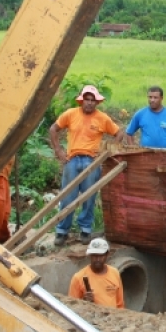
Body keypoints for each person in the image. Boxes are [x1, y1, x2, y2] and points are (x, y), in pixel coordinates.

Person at [49, 85, 124, 246]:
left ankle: (85, 230)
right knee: (67, 196)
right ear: (81, 100)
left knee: (89, 197)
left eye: (92, 100)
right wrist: (58, 151)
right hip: (72, 159)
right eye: (86, 99)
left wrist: (108, 151)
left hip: (92, 161)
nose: (89, 103)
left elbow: (119, 133)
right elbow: (53, 129)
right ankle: (62, 231)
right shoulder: (71, 114)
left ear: (96, 102)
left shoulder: (102, 118)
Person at [68, 238, 125, 309]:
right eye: (94, 256)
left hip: (111, 318)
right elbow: (71, 308)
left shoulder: (114, 273)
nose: (98, 259)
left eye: (101, 255)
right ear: (90, 256)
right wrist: (83, 302)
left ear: (107, 254)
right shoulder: (78, 277)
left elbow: (120, 304)